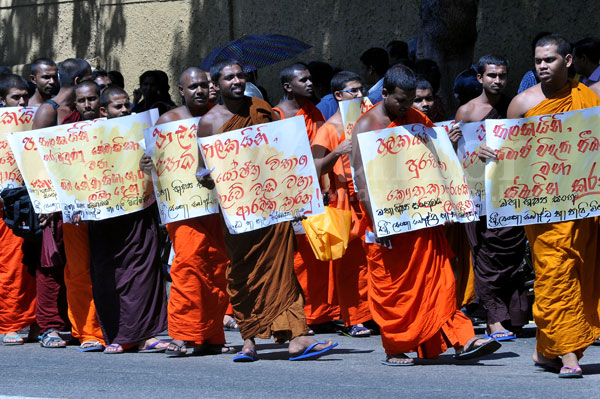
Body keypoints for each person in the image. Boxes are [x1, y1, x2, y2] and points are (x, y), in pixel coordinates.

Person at [351, 64, 500, 366]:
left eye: (410, 100)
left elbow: (437, 162)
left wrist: (449, 203)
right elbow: (361, 179)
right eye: (401, 101)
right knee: (395, 287)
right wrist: (379, 221)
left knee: (440, 277)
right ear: (384, 94)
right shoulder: (368, 126)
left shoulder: (417, 120)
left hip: (423, 219)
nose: (407, 107)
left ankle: (462, 338)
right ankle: (396, 345)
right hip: (387, 222)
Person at [196, 59, 338, 362]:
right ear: (217, 85)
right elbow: (201, 171)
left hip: (273, 206)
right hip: (239, 210)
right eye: (228, 77)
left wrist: (297, 197)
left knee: (283, 271)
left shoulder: (261, 110)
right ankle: (249, 339)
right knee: (243, 272)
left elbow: (284, 154)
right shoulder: (210, 121)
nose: (236, 81)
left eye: (240, 76)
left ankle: (297, 338)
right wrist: (206, 177)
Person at [481, 34, 600, 378]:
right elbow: (507, 155)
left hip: (580, 206)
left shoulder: (587, 98)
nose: (543, 66)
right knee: (554, 275)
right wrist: (486, 153)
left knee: (580, 276)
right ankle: (567, 357)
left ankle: (546, 350)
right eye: (538, 61)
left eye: (549, 60)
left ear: (568, 61)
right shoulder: (522, 104)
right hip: (542, 211)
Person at [139, 67, 231, 357]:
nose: (200, 91)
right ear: (181, 90)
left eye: (205, 85)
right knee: (188, 265)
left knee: (217, 267)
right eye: (194, 87)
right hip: (184, 208)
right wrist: (147, 165)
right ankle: (183, 333)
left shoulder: (223, 117)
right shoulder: (170, 121)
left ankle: (212, 333)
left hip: (220, 207)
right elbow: (155, 163)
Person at [88, 85, 168, 354]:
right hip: (104, 218)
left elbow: (163, 165)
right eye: (117, 107)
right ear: (103, 110)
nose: (125, 110)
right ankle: (120, 334)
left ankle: (147, 335)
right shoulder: (87, 137)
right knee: (110, 275)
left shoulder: (142, 131)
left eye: (126, 105)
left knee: (144, 273)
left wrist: (150, 166)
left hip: (139, 212)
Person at [454, 55, 528, 341]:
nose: (497, 81)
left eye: (502, 76)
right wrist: (474, 152)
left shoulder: (514, 107)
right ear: (480, 78)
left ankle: (513, 314)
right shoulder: (467, 112)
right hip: (479, 195)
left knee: (512, 254)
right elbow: (456, 155)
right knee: (486, 254)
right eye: (492, 76)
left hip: (510, 192)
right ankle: (493, 319)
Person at [273, 63, 341, 332]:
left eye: (311, 79)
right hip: (287, 195)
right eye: (303, 80)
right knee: (294, 259)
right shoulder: (274, 115)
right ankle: (298, 314)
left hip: (314, 192)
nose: (311, 83)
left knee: (316, 253)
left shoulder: (314, 113)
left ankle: (320, 314)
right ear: (288, 87)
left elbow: (320, 155)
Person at [32, 58, 93, 348]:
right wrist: (45, 202)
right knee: (52, 262)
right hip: (56, 200)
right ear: (80, 81)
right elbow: (35, 159)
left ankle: (78, 320)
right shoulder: (50, 111)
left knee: (82, 263)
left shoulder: (84, 109)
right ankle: (49, 327)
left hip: (84, 197)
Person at [311, 71, 373, 337]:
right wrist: (337, 152)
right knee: (350, 263)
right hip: (342, 201)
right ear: (338, 96)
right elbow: (313, 169)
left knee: (373, 259)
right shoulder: (329, 129)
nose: (360, 95)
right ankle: (353, 317)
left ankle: (372, 313)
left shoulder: (368, 121)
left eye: (361, 90)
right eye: (353, 91)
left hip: (369, 198)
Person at [62, 81, 106, 352]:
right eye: (82, 101)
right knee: (78, 272)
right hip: (75, 212)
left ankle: (111, 326)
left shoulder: (114, 128)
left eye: (92, 100)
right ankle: (86, 331)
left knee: (109, 270)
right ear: (75, 104)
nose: (87, 105)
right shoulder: (64, 130)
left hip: (109, 211)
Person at [0, 73, 37, 345]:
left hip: (23, 204)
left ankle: (24, 321)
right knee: (7, 266)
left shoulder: (36, 121)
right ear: (2, 101)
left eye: (25, 96)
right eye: (16, 98)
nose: (22, 102)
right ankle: (9, 323)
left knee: (21, 265)